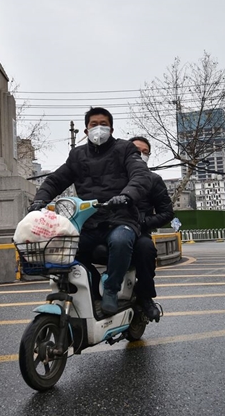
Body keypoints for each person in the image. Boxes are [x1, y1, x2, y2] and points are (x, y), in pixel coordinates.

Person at [29, 107, 151, 314]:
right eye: (94, 124)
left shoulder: (125, 149)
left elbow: (141, 175)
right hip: (89, 221)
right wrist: (39, 201)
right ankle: (95, 287)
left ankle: (111, 289)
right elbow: (56, 179)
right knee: (66, 249)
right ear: (86, 130)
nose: (99, 128)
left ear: (111, 129)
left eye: (103, 124)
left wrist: (127, 196)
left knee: (120, 241)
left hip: (121, 218)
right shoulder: (77, 156)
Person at [128, 136, 174, 322]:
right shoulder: (111, 177)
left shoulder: (154, 180)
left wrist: (143, 223)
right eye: (136, 151)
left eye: (145, 152)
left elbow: (167, 213)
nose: (141, 155)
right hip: (109, 230)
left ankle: (145, 297)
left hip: (139, 233)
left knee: (146, 249)